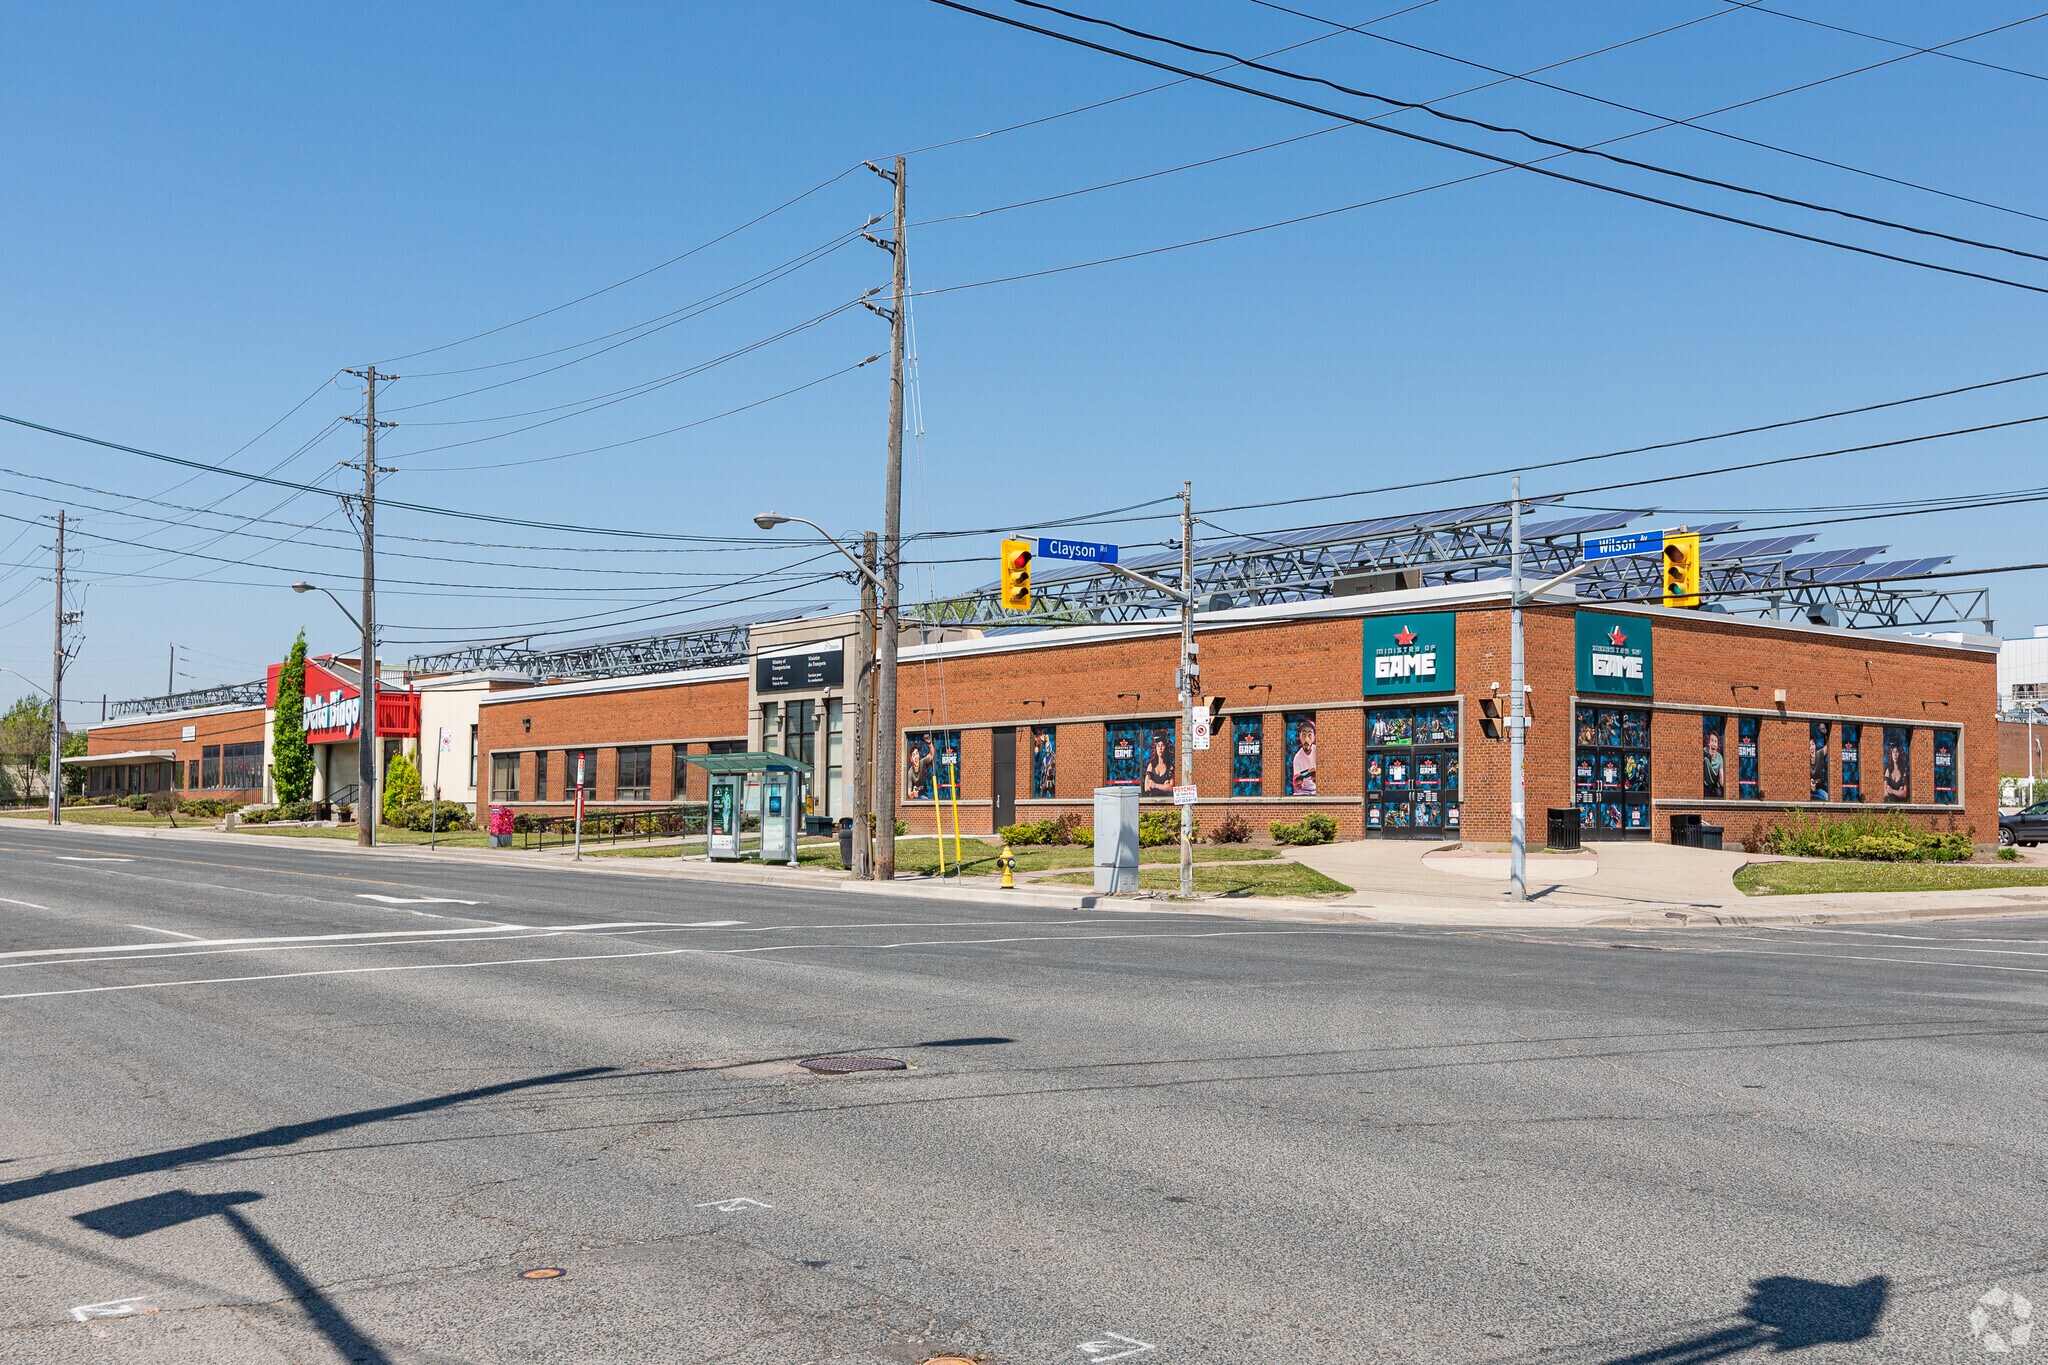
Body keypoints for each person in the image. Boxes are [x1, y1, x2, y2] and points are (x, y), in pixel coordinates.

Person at [1290, 718, 1317, 795]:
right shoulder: (1297, 757)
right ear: (1300, 736)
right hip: (1303, 792)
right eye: (1304, 735)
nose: (1306, 739)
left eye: (1310, 735)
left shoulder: (1318, 751)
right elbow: (1296, 786)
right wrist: (1297, 784)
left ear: (1314, 737)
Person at [1703, 728, 1725, 799]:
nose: (1713, 743)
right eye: (1712, 740)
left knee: (1719, 794)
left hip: (1714, 785)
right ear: (1709, 743)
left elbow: (1721, 775)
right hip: (1705, 785)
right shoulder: (1704, 752)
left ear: (1717, 745)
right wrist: (1707, 755)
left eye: (1715, 741)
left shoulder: (1720, 757)